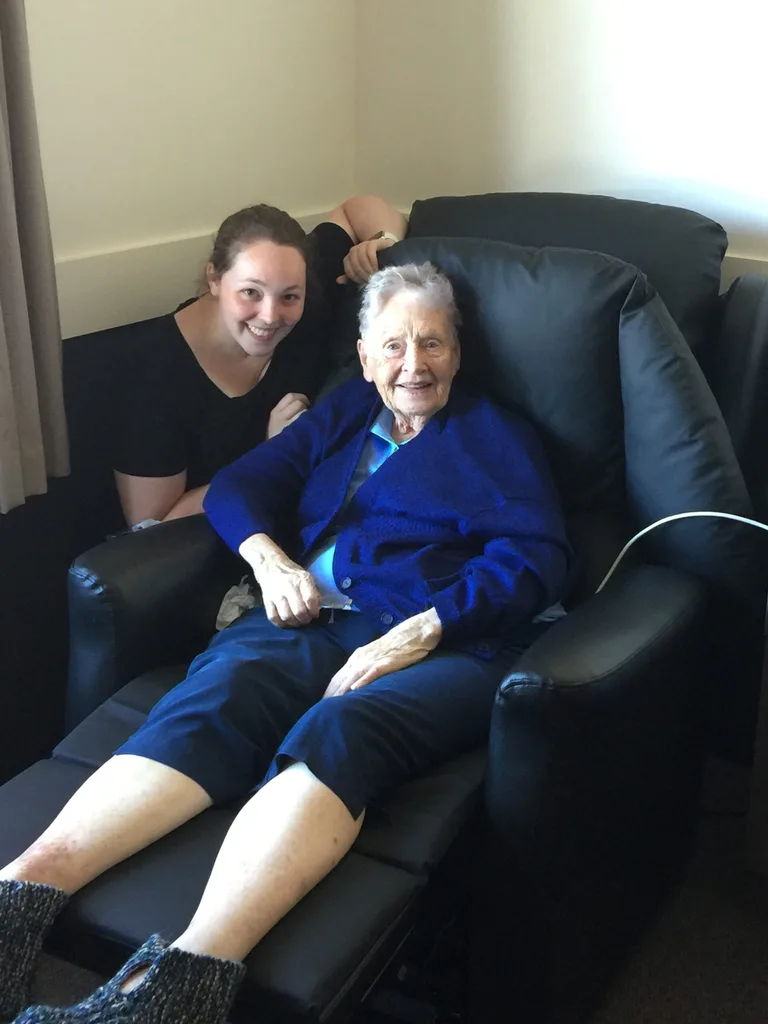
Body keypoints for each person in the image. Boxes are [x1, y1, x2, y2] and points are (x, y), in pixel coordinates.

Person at [0, 263, 570, 1024]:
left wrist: (428, 626)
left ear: (457, 353)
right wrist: (270, 561)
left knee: (344, 725)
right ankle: (20, 896)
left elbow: (537, 558)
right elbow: (242, 485)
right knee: (220, 689)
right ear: (363, 357)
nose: (414, 364)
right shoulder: (347, 412)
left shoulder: (496, 436)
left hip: (449, 641)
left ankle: (178, 986)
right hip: (315, 615)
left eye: (432, 343)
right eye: (393, 345)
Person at [113, 194, 407, 526]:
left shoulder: (301, 283)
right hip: (218, 539)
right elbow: (152, 525)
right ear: (214, 279)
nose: (270, 316)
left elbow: (355, 209)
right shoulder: (153, 372)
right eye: (250, 292)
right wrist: (271, 454)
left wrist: (385, 245)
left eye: (290, 296)